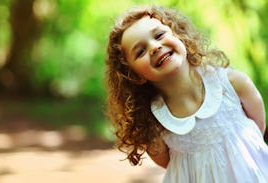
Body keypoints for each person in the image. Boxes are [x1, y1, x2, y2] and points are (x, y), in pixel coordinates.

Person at [105, 5, 268, 183]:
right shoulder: (153, 121)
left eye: (159, 35)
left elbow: (257, 127)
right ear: (135, 76)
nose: (154, 47)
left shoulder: (232, 84)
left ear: (179, 36)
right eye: (140, 51)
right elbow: (168, 162)